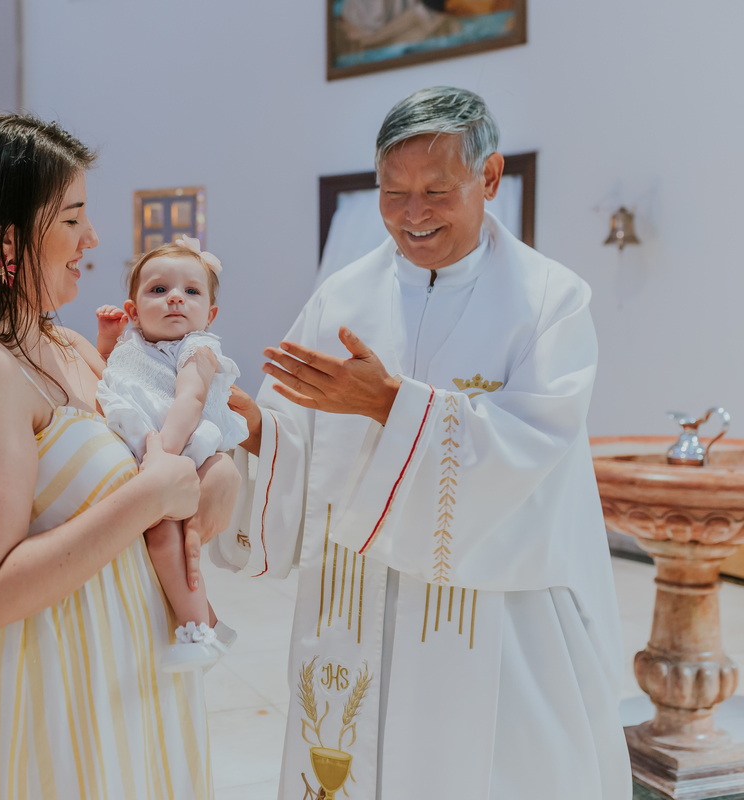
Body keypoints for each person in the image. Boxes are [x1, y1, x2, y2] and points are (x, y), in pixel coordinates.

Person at [221, 87, 631, 799]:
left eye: (437, 191)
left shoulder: (549, 301)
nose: (413, 214)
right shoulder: (341, 298)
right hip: (354, 603)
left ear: (490, 177)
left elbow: (534, 445)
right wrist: (255, 432)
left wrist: (389, 404)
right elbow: (300, 437)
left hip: (494, 616)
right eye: (393, 193)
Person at [0, 114, 240, 799]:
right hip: (48, 687)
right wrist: (151, 496)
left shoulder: (69, 345)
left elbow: (160, 451)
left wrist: (215, 473)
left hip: (125, 672)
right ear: (7, 238)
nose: (92, 238)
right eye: (73, 218)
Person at [94, 236, 248, 672]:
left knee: (164, 539)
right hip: (155, 454)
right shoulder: (135, 342)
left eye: (191, 291)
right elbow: (112, 374)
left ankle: (196, 630)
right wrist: (107, 339)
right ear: (133, 310)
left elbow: (190, 400)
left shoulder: (198, 349)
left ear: (209, 314)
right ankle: (211, 623)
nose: (175, 297)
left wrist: (163, 458)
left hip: (179, 452)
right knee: (163, 542)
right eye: (159, 289)